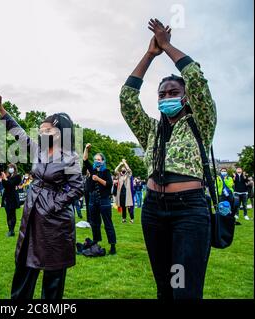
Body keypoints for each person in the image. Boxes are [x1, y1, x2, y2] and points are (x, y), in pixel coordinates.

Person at [120, 19, 216, 299]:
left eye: (174, 93)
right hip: (154, 211)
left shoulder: (202, 123)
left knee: (184, 290)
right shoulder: (152, 130)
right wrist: (150, 54)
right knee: (165, 289)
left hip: (189, 212)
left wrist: (167, 46)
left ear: (186, 99)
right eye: (162, 94)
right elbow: (127, 99)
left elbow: (196, 79)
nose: (166, 98)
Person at [0, 93, 84, 300]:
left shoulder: (70, 158)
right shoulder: (38, 150)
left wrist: (53, 205)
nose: (42, 132)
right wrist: (2, 109)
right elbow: (20, 135)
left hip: (55, 221)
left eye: (47, 130)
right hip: (32, 214)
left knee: (53, 273)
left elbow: (77, 188)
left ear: (59, 133)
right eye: (41, 130)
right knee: (25, 264)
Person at [83, 143, 116, 254]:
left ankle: (112, 246)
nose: (97, 161)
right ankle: (96, 242)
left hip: (104, 200)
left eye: (99, 159)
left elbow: (109, 184)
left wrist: (98, 179)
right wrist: (86, 149)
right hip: (93, 200)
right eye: (95, 159)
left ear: (103, 161)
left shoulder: (106, 172)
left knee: (108, 223)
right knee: (95, 223)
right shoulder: (92, 170)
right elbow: (85, 160)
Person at [1, 163, 22, 237]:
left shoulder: (17, 176)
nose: (9, 169)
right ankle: (10, 229)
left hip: (13, 197)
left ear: (14, 168)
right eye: (9, 167)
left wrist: (6, 179)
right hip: (7, 196)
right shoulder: (8, 176)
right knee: (8, 214)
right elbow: (5, 185)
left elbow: (11, 184)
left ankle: (12, 230)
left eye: (11, 167)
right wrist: (3, 179)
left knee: (12, 214)